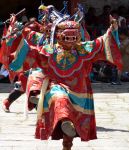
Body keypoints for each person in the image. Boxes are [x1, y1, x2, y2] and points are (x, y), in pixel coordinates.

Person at [1, 6, 122, 150]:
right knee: (58, 99)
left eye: (73, 35)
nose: (71, 38)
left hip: (79, 92)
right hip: (56, 84)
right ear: (58, 33)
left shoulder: (82, 49)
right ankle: (45, 106)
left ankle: (67, 142)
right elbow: (30, 43)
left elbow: (101, 42)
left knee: (71, 122)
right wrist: (16, 31)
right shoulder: (49, 47)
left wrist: (112, 30)